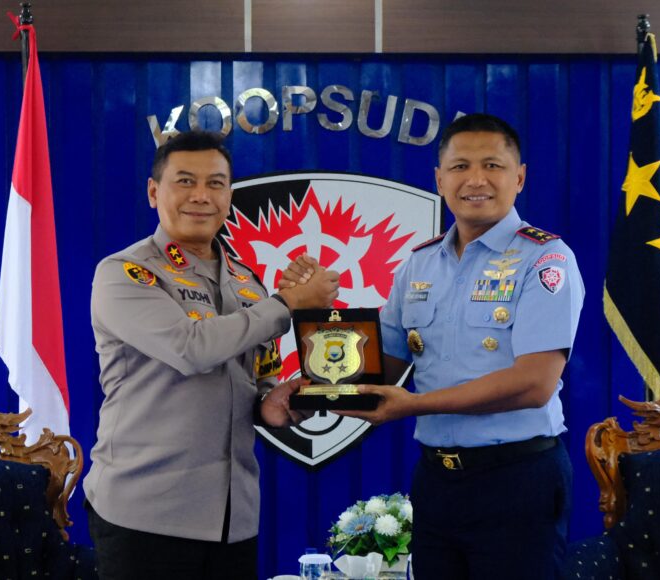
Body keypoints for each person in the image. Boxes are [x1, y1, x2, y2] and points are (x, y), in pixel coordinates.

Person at [286, 113, 584, 579]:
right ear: (440, 179)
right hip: (437, 481)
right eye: (460, 166)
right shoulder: (419, 264)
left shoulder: (546, 259)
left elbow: (534, 384)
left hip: (517, 478)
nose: (476, 180)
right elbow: (378, 368)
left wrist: (415, 405)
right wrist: (313, 363)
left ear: (520, 177)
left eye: (493, 165)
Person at [83, 130, 339, 580]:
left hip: (232, 518)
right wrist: (288, 303)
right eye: (185, 181)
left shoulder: (246, 281)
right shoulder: (125, 273)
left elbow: (257, 378)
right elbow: (191, 348)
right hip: (146, 515)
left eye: (216, 183)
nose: (201, 195)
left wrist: (276, 403)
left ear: (229, 196)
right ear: (153, 192)